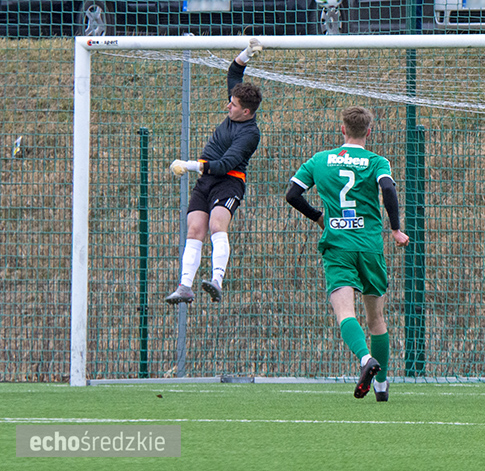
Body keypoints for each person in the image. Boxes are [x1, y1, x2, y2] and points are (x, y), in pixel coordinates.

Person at [285, 106, 409, 401]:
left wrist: (318, 217)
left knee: (344, 312)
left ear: (342, 129)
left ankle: (366, 359)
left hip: (337, 246)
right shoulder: (377, 161)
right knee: (376, 318)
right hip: (368, 246)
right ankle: (381, 385)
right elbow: (388, 188)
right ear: (369, 131)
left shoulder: (320, 160)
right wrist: (395, 229)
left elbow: (292, 194)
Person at [165, 39, 263, 305]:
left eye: (232, 105)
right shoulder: (236, 110)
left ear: (246, 111)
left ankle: (216, 280)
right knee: (195, 229)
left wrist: (189, 165)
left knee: (217, 224)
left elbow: (223, 165)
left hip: (229, 183)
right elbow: (234, 72)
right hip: (206, 181)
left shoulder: (250, 134)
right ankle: (185, 286)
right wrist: (247, 53)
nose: (226, 106)